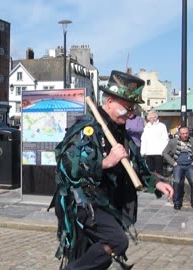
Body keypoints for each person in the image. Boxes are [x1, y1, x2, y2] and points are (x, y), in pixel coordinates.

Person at [52, 70, 173, 270]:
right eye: (127, 108)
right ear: (109, 102)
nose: (131, 113)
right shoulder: (87, 128)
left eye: (133, 108)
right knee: (117, 242)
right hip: (84, 204)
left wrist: (157, 183)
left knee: (97, 255)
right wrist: (105, 162)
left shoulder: (120, 133)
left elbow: (136, 166)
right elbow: (66, 165)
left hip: (107, 203)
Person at [162, 126, 193, 210]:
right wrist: (173, 162)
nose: (185, 135)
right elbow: (164, 153)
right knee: (177, 182)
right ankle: (177, 202)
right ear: (179, 134)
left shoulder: (191, 140)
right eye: (183, 133)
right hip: (178, 164)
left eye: (187, 133)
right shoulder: (173, 142)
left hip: (189, 164)